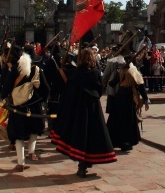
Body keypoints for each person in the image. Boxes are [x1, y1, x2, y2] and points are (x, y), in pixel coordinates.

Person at [50, 48, 116, 178]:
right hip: (92, 109)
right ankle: (85, 163)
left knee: (79, 135)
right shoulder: (96, 73)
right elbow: (99, 91)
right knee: (92, 135)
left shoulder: (74, 74)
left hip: (77, 110)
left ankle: (82, 164)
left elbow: (67, 93)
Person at [1, 47, 50, 172]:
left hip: (17, 106)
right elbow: (45, 89)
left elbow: (5, 88)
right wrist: (40, 100)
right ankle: (31, 152)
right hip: (34, 105)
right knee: (34, 130)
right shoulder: (36, 69)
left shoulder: (13, 70)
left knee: (19, 135)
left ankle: (20, 162)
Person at [106, 46, 150, 152]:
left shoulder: (121, 71)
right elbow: (141, 86)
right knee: (127, 122)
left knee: (116, 120)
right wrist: (145, 99)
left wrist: (120, 79)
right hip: (128, 98)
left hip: (119, 97)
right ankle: (126, 143)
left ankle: (113, 142)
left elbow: (112, 83)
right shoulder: (133, 71)